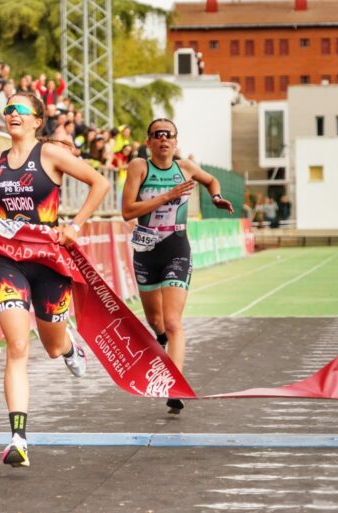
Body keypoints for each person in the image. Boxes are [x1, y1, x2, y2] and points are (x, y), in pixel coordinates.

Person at [0, 92, 110, 468]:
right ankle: (18, 438)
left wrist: (76, 225)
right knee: (17, 346)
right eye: (8, 109)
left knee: (50, 345)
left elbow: (100, 183)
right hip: (9, 260)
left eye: (20, 110)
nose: (12, 113)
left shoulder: (50, 155)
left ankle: (68, 347)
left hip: (48, 261)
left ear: (35, 121)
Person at [121, 118, 233, 414]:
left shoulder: (184, 168)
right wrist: (167, 196)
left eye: (169, 135)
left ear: (175, 141)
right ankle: (166, 346)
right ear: (149, 142)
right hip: (146, 249)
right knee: (155, 322)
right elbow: (127, 211)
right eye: (157, 135)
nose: (163, 139)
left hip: (175, 247)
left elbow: (210, 180)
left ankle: (175, 383)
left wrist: (217, 196)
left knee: (172, 322)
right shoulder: (139, 167)